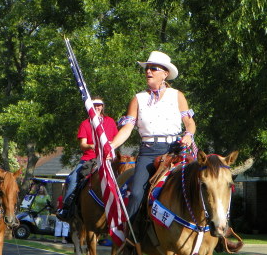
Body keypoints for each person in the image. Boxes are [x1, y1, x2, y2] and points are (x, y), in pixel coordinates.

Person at [110, 51, 196, 236]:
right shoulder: (137, 99)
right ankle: (131, 241)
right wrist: (111, 145)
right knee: (136, 194)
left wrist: (188, 134)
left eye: (153, 68)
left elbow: (189, 122)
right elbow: (127, 129)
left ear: (165, 73)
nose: (148, 71)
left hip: (174, 149)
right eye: (147, 68)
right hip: (148, 152)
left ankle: (215, 233)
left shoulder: (177, 95)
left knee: (202, 182)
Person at [57, 96, 118, 220]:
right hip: (89, 159)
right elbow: (83, 145)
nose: (97, 107)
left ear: (102, 106)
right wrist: (94, 145)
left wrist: (109, 148)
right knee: (73, 178)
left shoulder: (110, 122)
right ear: (90, 107)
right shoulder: (85, 124)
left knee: (124, 176)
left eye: (99, 105)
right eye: (94, 105)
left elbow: (117, 139)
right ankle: (66, 208)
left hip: (108, 158)